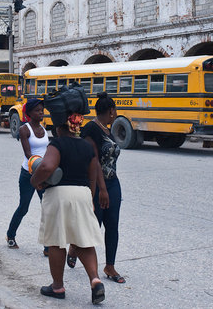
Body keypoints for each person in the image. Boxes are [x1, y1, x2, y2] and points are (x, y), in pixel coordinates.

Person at [30, 86, 106, 305]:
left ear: (58, 123)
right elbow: (92, 176)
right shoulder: (87, 145)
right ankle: (95, 280)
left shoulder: (57, 143)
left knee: (56, 243)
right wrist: (90, 199)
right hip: (82, 194)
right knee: (84, 242)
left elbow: (46, 167)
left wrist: (35, 181)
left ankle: (57, 286)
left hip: (59, 195)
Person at [74, 92, 124, 283]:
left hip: (113, 182)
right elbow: (93, 162)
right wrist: (101, 190)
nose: (116, 113)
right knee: (94, 226)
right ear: (111, 111)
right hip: (96, 185)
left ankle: (110, 266)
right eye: (115, 110)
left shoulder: (106, 129)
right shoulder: (90, 130)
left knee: (112, 225)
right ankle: (76, 247)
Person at [5, 99, 49, 255]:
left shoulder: (44, 129)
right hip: (29, 174)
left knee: (47, 209)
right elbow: (29, 155)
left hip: (44, 173)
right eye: (37, 110)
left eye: (42, 110)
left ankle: (47, 246)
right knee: (24, 207)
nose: (41, 112)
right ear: (29, 113)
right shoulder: (25, 130)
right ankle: (10, 234)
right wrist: (37, 175)